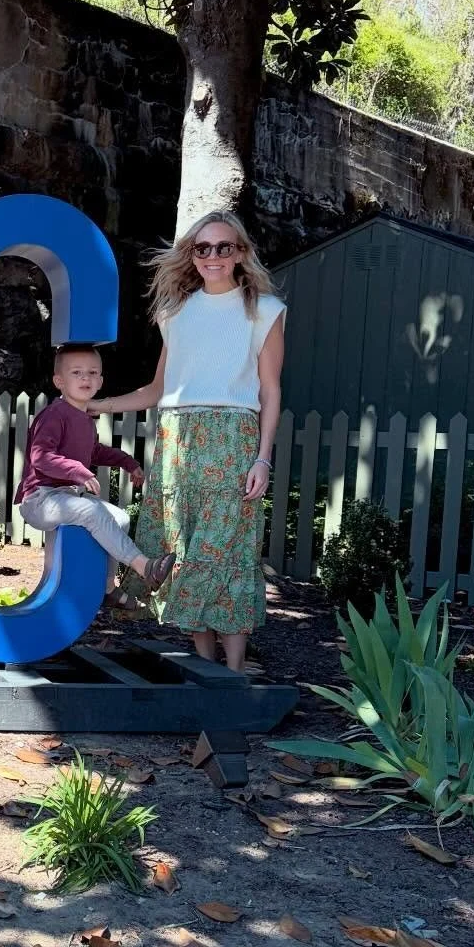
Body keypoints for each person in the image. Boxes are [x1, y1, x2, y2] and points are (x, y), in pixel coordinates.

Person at [90, 211, 285, 673]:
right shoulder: (174, 313)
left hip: (233, 443)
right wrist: (96, 406)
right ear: (191, 256)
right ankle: (204, 670)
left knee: (229, 553)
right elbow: (158, 391)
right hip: (178, 442)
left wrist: (263, 459)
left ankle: (232, 673)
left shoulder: (265, 310)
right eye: (203, 248)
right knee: (187, 552)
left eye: (223, 247)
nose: (213, 256)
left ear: (240, 254)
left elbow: (271, 391)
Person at [15, 343, 176, 593]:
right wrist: (79, 471)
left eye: (92, 373)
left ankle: (108, 589)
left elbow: (93, 452)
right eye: (76, 372)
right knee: (91, 511)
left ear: (100, 381)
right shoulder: (54, 415)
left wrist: (127, 462)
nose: (85, 378)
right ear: (59, 381)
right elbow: (41, 457)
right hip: (39, 499)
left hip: (66, 496)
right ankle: (146, 568)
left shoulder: (85, 419)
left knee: (120, 519)